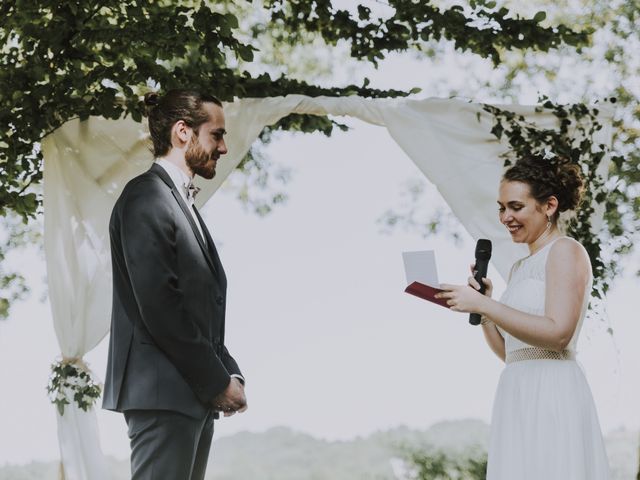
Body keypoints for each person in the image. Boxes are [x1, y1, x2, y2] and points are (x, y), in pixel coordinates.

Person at [435, 155, 610, 479]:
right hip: (517, 389)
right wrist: (483, 308)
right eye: (501, 207)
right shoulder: (518, 268)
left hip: (553, 391)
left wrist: (487, 306)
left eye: (516, 206)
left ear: (549, 206)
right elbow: (512, 353)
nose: (506, 217)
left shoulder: (565, 250)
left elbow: (558, 335)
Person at [102, 89, 247, 480]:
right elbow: (161, 305)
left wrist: (230, 373)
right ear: (183, 132)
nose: (223, 147)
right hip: (163, 392)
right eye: (216, 135)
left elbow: (198, 307)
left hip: (190, 394)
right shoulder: (146, 196)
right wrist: (217, 380)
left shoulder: (181, 204)